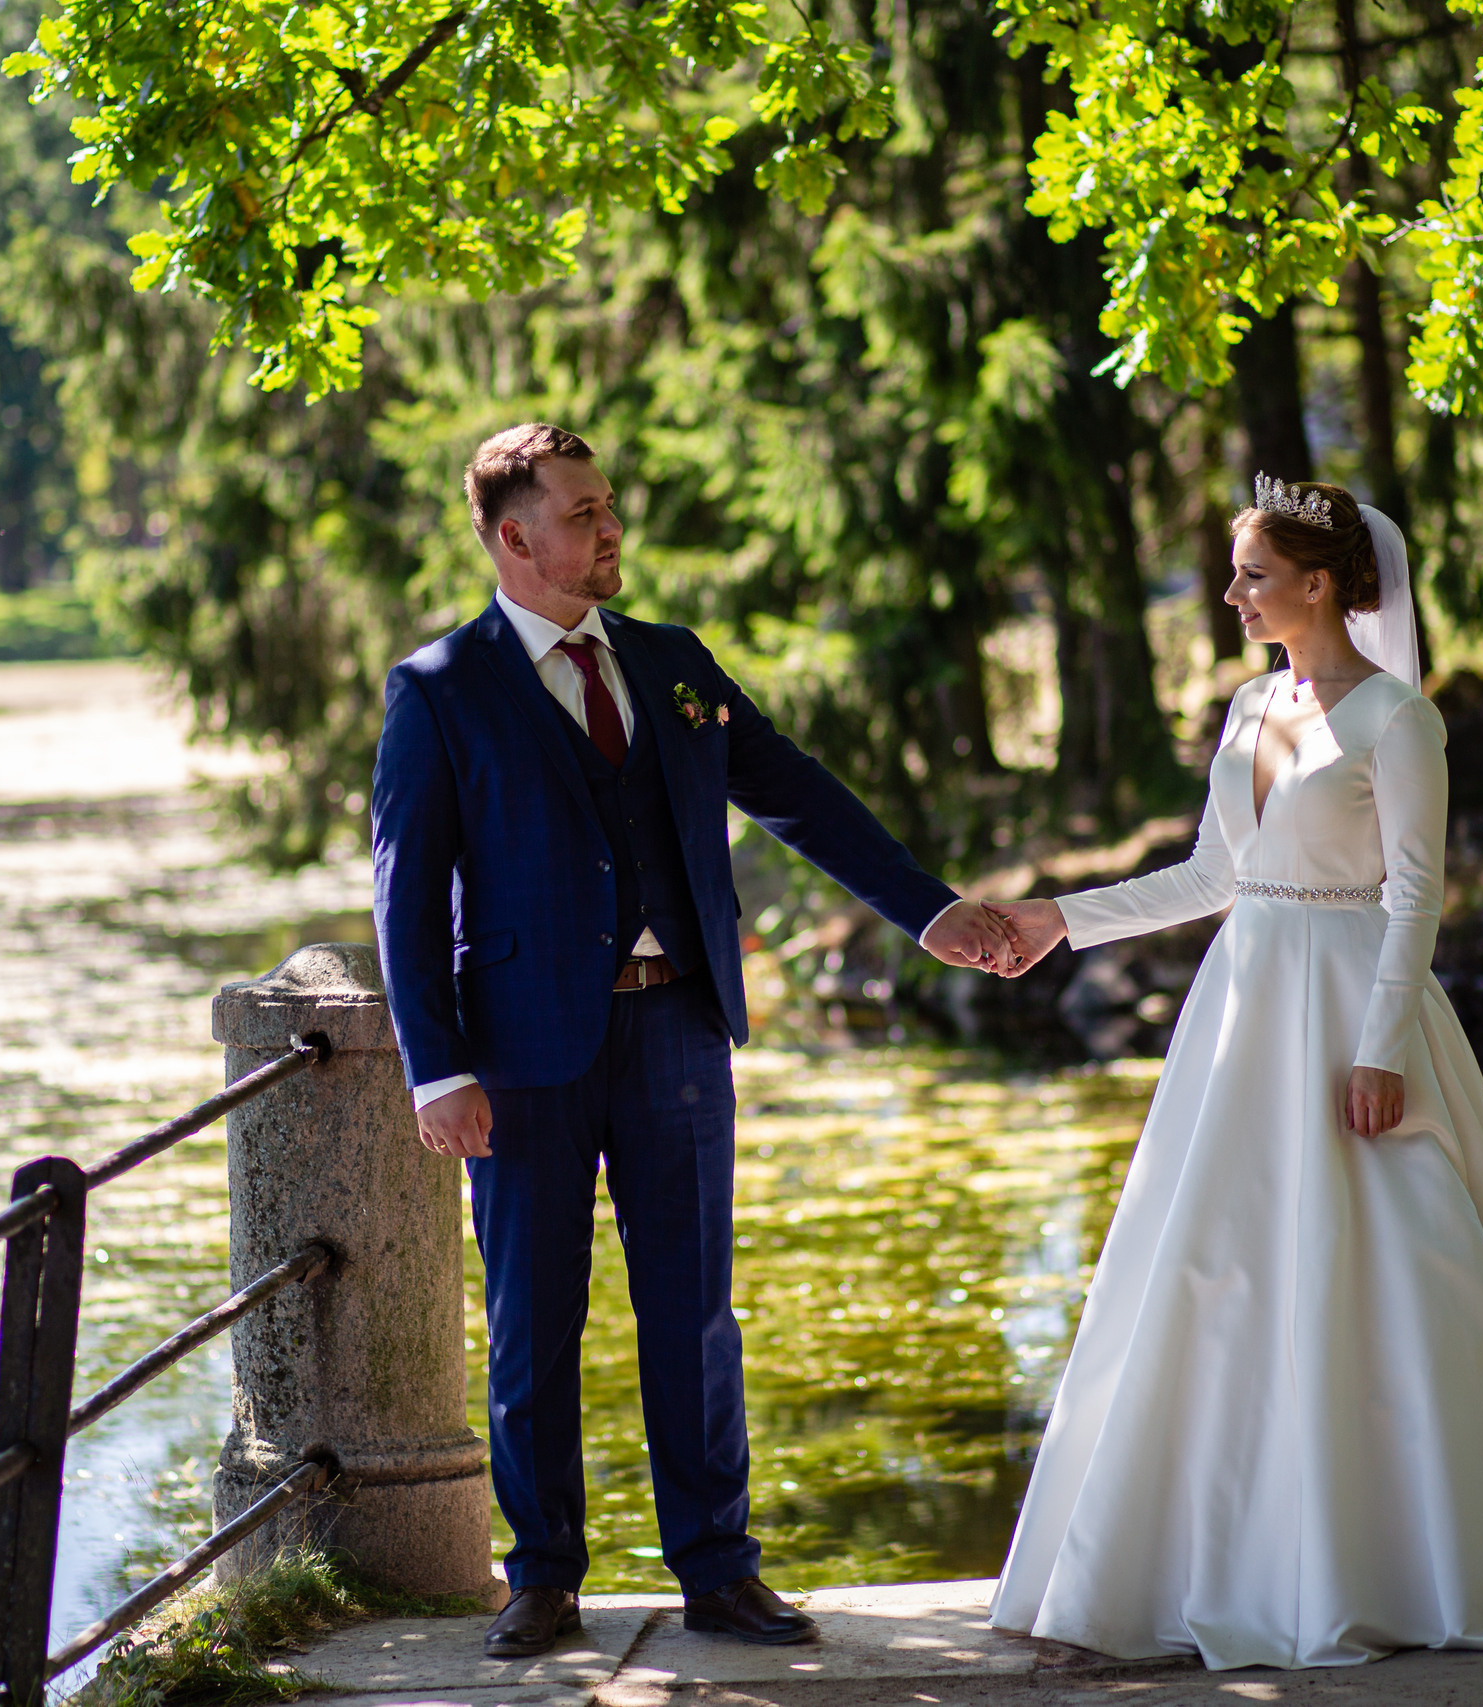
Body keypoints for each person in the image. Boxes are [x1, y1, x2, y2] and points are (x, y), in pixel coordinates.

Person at [980, 477, 1483, 1670]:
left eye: (1252, 572)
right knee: (1214, 1269)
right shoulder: (1250, 705)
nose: (1231, 591)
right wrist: (1058, 918)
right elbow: (1211, 875)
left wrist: (1378, 1047)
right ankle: (1221, 1557)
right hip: (1241, 1015)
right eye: (1234, 570)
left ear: (1319, 585)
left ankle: (1421, 1556)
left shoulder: (1398, 720)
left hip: (1353, 1006)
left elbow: (1416, 892)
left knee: (1402, 1273)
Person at [371, 424, 1024, 1661]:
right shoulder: (441, 688)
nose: (609, 529)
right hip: (519, 1059)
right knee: (531, 1321)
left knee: (695, 1315)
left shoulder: (673, 664)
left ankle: (718, 1573)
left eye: (608, 505)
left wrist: (930, 912)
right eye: (581, 513)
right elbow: (406, 894)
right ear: (515, 538)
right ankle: (544, 1578)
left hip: (678, 1028)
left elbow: (799, 793)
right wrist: (436, 1066)